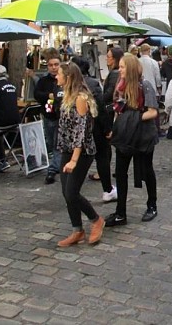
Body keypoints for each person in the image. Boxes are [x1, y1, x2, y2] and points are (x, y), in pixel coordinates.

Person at [105, 53, 159, 227]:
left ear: (130, 68)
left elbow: (153, 111)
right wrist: (117, 127)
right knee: (120, 172)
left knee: (147, 171)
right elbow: (118, 111)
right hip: (125, 135)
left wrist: (133, 118)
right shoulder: (120, 86)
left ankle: (152, 205)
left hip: (142, 135)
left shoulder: (145, 85)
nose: (119, 70)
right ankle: (121, 212)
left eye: (122, 67)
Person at [54, 62, 105, 247]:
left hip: (81, 152)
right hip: (67, 149)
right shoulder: (67, 95)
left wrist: (74, 159)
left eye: (59, 74)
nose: (56, 76)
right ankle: (77, 230)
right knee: (66, 193)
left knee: (72, 192)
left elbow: (80, 130)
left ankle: (96, 219)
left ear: (68, 77)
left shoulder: (80, 98)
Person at [72, 56, 116, 203]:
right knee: (102, 158)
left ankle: (72, 190)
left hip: (76, 129)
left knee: (78, 159)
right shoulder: (92, 84)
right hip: (94, 126)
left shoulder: (70, 84)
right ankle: (107, 190)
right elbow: (100, 108)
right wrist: (107, 128)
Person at [34, 48, 64, 185]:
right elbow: (37, 94)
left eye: (56, 65)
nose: (54, 68)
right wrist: (48, 96)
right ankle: (57, 164)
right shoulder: (43, 81)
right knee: (51, 142)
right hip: (48, 114)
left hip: (61, 117)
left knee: (58, 144)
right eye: (51, 65)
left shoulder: (64, 79)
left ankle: (52, 170)